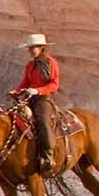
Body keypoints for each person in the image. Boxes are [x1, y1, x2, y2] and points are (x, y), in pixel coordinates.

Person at [9, 33, 61, 173]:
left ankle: (48, 153)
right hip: (29, 98)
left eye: (34, 47)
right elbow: (25, 82)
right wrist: (17, 91)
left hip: (44, 98)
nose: (31, 50)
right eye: (30, 48)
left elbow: (54, 84)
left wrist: (38, 91)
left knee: (42, 120)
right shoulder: (30, 65)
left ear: (41, 47)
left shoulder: (51, 63)